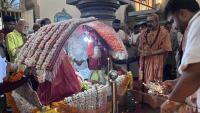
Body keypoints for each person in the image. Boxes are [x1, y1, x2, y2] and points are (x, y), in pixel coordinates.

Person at [161, 0, 200, 113]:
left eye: (172, 21)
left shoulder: (197, 24)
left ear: (183, 14)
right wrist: (177, 82)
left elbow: (195, 72)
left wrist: (172, 100)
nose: (173, 27)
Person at [138, 13, 172, 83]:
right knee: (144, 83)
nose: (149, 23)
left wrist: (150, 53)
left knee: (155, 84)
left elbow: (166, 48)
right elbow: (139, 47)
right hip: (145, 61)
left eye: (151, 21)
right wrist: (142, 52)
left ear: (157, 22)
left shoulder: (164, 32)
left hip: (157, 61)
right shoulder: (143, 33)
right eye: (148, 21)